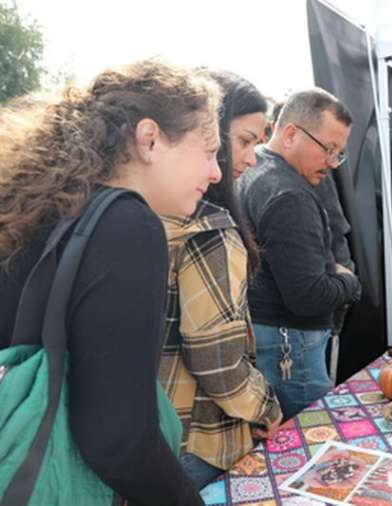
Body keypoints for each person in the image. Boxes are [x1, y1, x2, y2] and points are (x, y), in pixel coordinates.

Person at [0, 59, 222, 505]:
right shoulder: (127, 225)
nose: (216, 174)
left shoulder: (38, 207)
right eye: (210, 150)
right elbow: (118, 438)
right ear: (150, 139)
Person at [159, 69, 282, 489]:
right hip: (200, 441)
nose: (251, 158)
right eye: (244, 140)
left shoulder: (134, 212)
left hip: (148, 438)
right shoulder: (207, 229)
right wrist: (265, 407)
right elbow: (218, 364)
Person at [237, 88, 362, 420]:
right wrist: (350, 283)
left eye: (339, 153)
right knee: (308, 438)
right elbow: (308, 296)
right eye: (328, 149)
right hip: (291, 345)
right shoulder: (289, 194)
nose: (333, 163)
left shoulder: (257, 167)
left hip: (272, 335)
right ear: (290, 134)